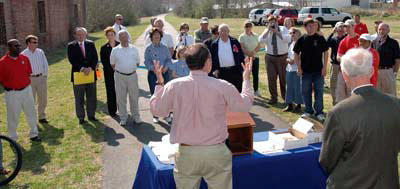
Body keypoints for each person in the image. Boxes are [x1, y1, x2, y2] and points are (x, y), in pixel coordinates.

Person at [150, 43, 254, 189]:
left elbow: (157, 111)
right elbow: (245, 105)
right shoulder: (222, 85)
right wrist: (246, 79)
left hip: (187, 153)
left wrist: (159, 83)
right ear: (207, 62)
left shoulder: (174, 86)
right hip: (215, 152)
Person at [319, 48, 400, 189]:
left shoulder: (339, 113)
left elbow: (327, 160)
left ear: (344, 75)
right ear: (372, 71)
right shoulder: (395, 104)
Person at [0, 39, 41, 142]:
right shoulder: (2, 62)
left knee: (31, 112)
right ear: (9, 47)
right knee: (13, 116)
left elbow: (28, 73)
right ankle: (13, 138)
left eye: (19, 45)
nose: (19, 48)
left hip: (27, 90)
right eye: (15, 46)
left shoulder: (25, 58)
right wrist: (8, 86)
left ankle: (34, 134)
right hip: (12, 93)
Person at [293, 18, 329, 121]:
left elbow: (326, 52)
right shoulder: (301, 39)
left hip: (318, 71)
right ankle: (308, 111)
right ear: (305, 27)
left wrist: (324, 67)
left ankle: (319, 112)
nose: (312, 27)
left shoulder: (320, 38)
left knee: (319, 91)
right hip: (305, 71)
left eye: (314, 25)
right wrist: (298, 68)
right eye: (309, 26)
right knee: (305, 91)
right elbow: (296, 53)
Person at [110, 30, 142, 126]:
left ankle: (136, 116)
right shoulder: (115, 50)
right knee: (121, 98)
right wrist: (122, 70)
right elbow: (112, 64)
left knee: (134, 97)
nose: (124, 38)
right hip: (120, 76)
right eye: (121, 37)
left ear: (128, 37)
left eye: (125, 36)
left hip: (132, 76)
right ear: (119, 39)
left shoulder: (134, 49)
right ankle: (123, 117)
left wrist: (129, 69)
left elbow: (137, 62)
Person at [67, 27, 98, 124]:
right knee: (79, 97)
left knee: (91, 96)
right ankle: (81, 117)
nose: (81, 36)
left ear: (85, 35)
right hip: (78, 75)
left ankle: (91, 115)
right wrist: (82, 69)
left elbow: (95, 58)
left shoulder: (91, 44)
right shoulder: (71, 46)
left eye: (83, 34)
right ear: (75, 35)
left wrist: (90, 68)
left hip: (90, 74)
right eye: (78, 34)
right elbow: (72, 60)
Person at [259, 16, 291, 104]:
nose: (272, 23)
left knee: (283, 78)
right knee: (271, 78)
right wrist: (268, 31)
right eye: (270, 22)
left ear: (277, 22)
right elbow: (260, 40)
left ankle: (285, 97)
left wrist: (277, 32)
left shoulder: (283, 29)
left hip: (282, 58)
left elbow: (288, 39)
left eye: (274, 21)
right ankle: (273, 97)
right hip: (270, 58)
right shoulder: (267, 30)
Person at [144, 28, 172, 123]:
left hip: (164, 74)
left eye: (158, 35)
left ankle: (167, 115)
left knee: (166, 94)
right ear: (151, 37)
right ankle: (155, 115)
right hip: (153, 75)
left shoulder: (164, 48)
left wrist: (166, 67)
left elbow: (169, 59)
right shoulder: (148, 48)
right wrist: (154, 69)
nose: (157, 37)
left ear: (160, 37)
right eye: (154, 35)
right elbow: (146, 61)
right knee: (155, 95)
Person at [21, 35, 49, 123]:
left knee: (43, 99)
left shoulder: (40, 52)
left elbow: (45, 64)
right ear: (28, 43)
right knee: (30, 100)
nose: (36, 44)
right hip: (30, 80)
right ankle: (32, 118)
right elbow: (22, 69)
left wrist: (44, 76)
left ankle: (42, 117)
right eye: (34, 42)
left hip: (41, 78)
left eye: (36, 42)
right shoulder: (23, 54)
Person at [210, 24, 245, 92]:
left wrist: (243, 68)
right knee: (223, 92)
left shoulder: (234, 41)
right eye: (221, 31)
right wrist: (215, 69)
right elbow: (213, 59)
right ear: (218, 32)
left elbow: (241, 55)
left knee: (237, 91)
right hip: (221, 72)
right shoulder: (214, 44)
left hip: (235, 70)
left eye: (225, 31)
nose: (223, 33)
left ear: (228, 31)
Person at [336, 19, 360, 103]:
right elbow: (338, 56)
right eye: (345, 27)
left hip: (355, 72)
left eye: (348, 26)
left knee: (353, 93)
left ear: (354, 26)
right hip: (343, 70)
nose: (346, 29)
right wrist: (347, 60)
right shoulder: (343, 41)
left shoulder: (360, 39)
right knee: (340, 92)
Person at [372, 23, 400, 97]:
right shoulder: (374, 42)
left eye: (383, 29)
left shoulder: (393, 43)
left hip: (388, 71)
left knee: (390, 95)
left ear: (388, 30)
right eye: (379, 29)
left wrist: (395, 73)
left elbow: (397, 60)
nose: (381, 31)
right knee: (377, 95)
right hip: (376, 72)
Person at [100, 27, 119, 117]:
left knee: (120, 92)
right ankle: (112, 111)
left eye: (112, 34)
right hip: (109, 73)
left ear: (115, 35)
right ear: (106, 36)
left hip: (120, 73)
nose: (110, 36)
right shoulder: (103, 48)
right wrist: (113, 69)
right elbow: (104, 62)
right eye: (108, 35)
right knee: (111, 92)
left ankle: (122, 109)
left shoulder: (120, 45)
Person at [239, 21, 261, 96]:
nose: (248, 28)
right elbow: (242, 48)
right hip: (246, 58)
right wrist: (250, 55)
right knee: (246, 75)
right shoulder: (242, 36)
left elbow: (258, 46)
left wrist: (253, 53)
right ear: (244, 27)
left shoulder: (256, 35)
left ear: (251, 27)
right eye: (246, 26)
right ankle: (245, 90)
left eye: (249, 26)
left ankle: (256, 90)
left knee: (255, 74)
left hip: (255, 57)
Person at [327, 22, 346, 105]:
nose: (341, 29)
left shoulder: (347, 38)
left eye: (342, 27)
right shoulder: (334, 38)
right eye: (339, 27)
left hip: (345, 65)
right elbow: (326, 44)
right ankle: (335, 101)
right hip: (335, 65)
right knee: (333, 83)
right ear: (336, 29)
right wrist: (332, 33)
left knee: (344, 85)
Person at [284, 27, 303, 112]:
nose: (292, 35)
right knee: (289, 87)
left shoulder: (301, 44)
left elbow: (302, 57)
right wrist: (288, 60)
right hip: (289, 69)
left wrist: (294, 61)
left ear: (298, 34)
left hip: (297, 69)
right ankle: (290, 105)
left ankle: (298, 105)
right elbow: (288, 56)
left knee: (297, 87)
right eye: (290, 33)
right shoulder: (291, 44)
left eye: (293, 33)